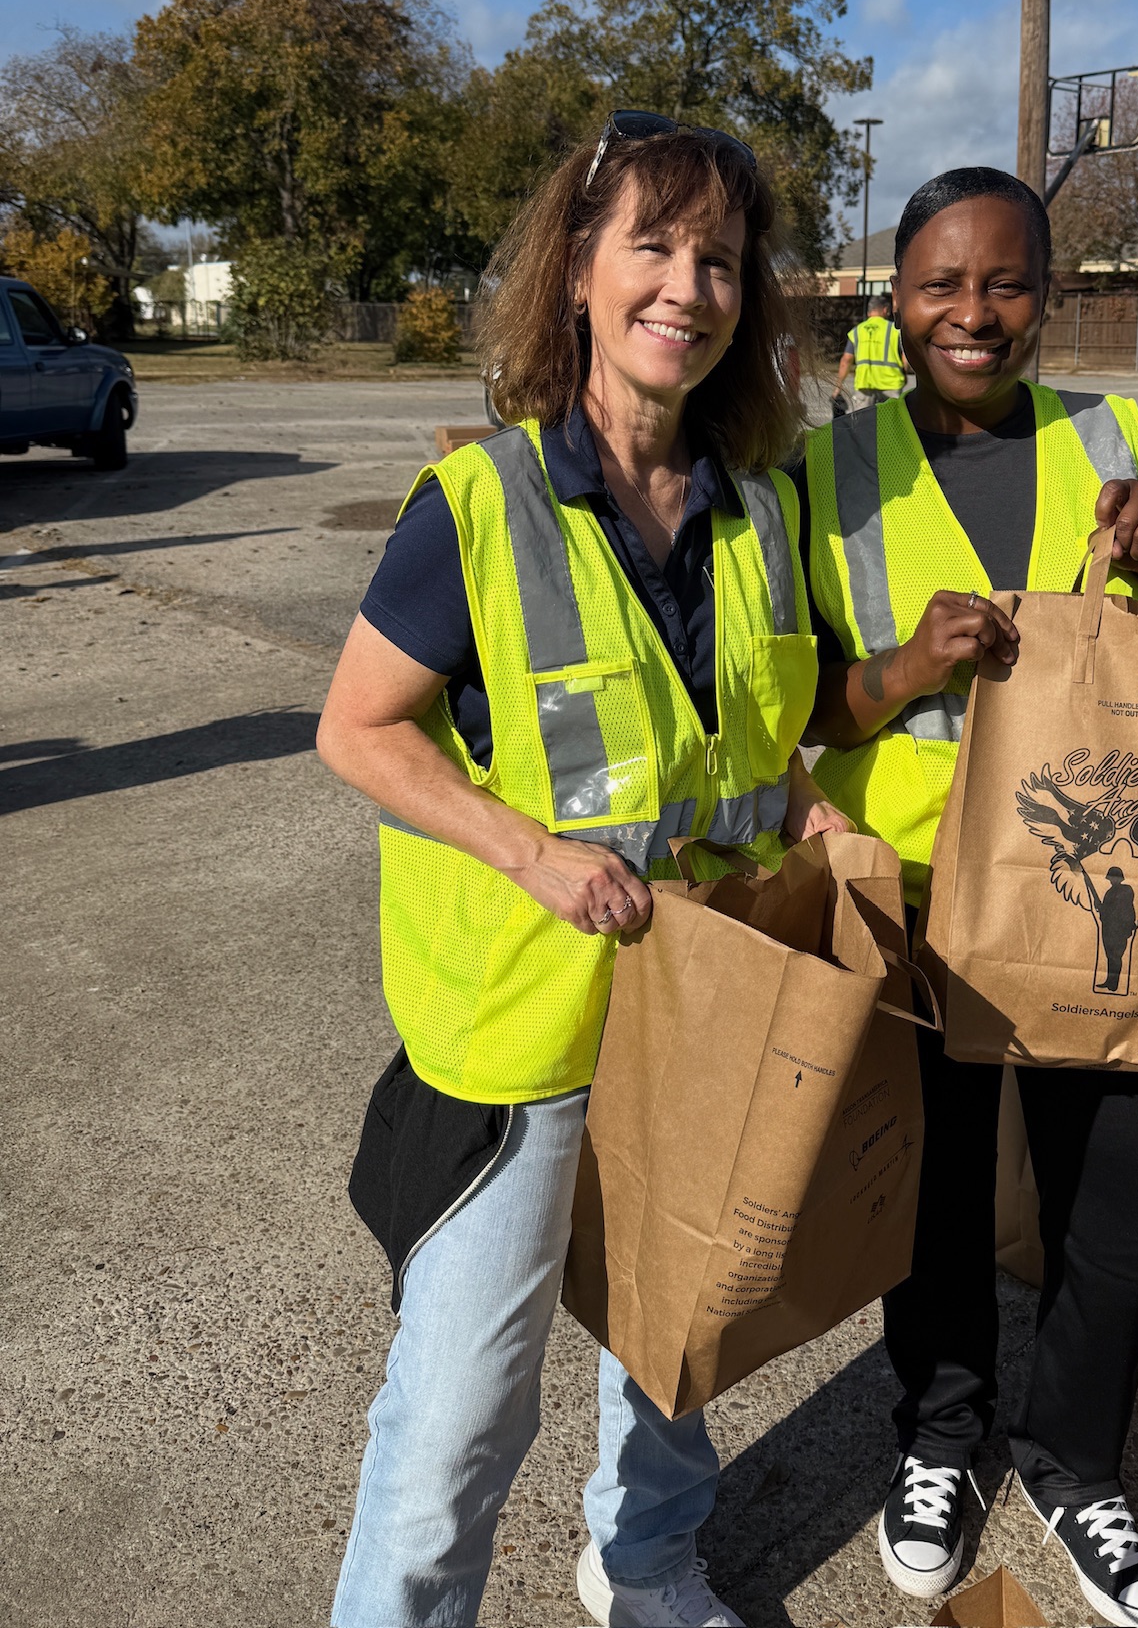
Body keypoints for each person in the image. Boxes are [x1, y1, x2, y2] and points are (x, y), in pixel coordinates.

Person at [317, 113, 850, 1628]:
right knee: (459, 1421)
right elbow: (357, 729)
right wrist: (530, 852)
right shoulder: (477, 506)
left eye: (721, 260)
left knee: (680, 1340)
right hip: (525, 1032)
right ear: (575, 269)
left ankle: (649, 1565)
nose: (687, 286)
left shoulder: (760, 504)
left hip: (702, 1000)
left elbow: (749, 740)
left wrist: (819, 821)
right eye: (653, 246)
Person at [793, 167, 1138, 1628]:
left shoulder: (1115, 436)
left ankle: (1076, 1459)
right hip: (918, 897)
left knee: (1120, 1189)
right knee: (931, 1194)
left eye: (1006, 282)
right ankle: (941, 1434)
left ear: (1048, 293)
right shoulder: (827, 470)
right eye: (941, 283)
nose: (972, 312)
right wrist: (906, 668)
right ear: (894, 298)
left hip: (1106, 898)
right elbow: (800, 707)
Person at [834, 290, 906, 409]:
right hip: (891, 385)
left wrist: (838, 387)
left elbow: (846, 360)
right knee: (890, 420)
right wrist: (905, 372)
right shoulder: (894, 330)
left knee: (864, 420)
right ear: (885, 310)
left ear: (869, 312)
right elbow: (905, 359)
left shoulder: (857, 331)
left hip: (864, 386)